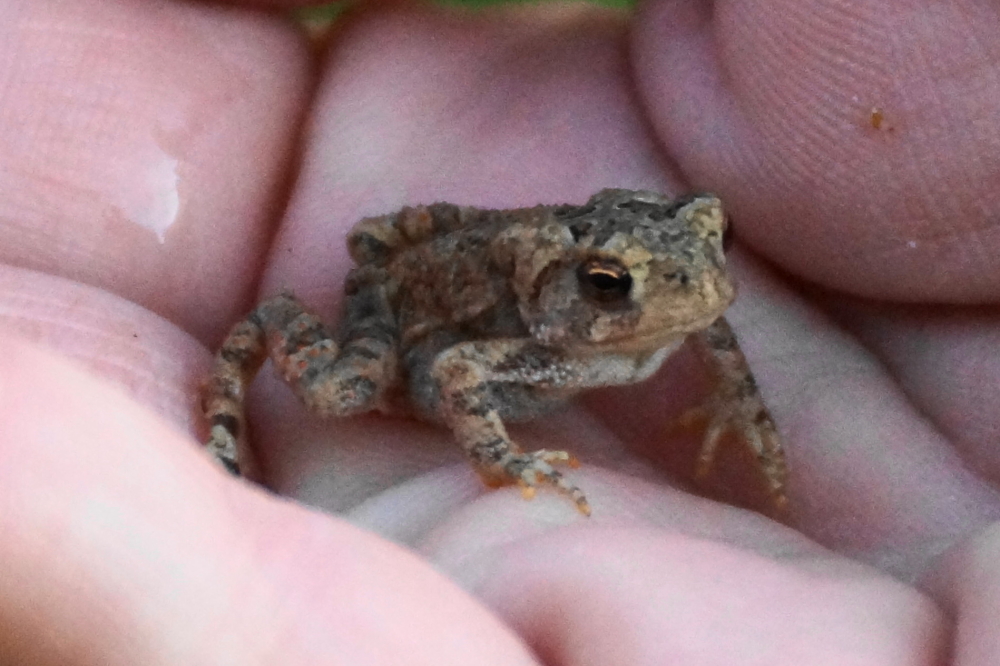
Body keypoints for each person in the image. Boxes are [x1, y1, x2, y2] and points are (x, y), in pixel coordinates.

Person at [1, 0, 996, 661]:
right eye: (614, 287)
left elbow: (703, 319)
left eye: (709, 242)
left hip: (514, 256)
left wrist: (740, 408)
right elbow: (466, 368)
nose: (699, 285)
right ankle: (222, 405)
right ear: (584, 287)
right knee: (336, 389)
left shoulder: (665, 301)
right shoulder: (526, 335)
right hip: (414, 315)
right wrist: (504, 465)